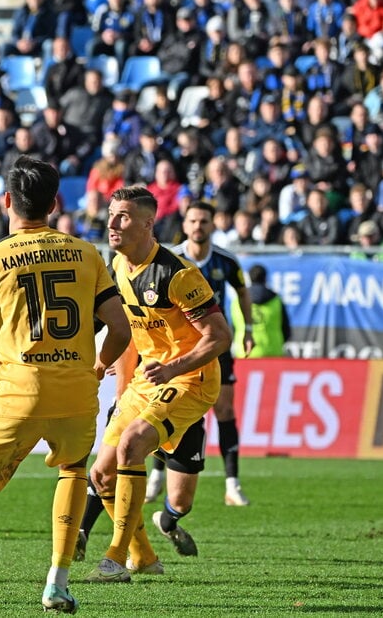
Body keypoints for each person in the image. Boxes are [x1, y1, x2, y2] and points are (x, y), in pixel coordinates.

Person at [0, 156, 130, 617]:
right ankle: (57, 582)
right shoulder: (88, 253)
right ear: (55, 204)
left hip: (18, 391)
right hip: (77, 391)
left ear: (8, 201)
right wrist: (96, 366)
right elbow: (120, 329)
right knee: (74, 469)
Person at [84, 186, 231, 583]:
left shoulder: (177, 274)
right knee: (100, 474)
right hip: (148, 378)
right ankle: (144, 556)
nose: (112, 223)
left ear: (148, 223)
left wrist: (173, 367)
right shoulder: (117, 265)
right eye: (112, 214)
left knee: (132, 445)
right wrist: (103, 364)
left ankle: (114, 557)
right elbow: (128, 329)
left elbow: (219, 336)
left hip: (190, 379)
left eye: (124, 216)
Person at [141, 200, 255, 508]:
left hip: (215, 347)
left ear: (212, 225)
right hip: (177, 351)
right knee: (166, 413)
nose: (198, 226)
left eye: (204, 221)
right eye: (193, 221)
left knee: (226, 411)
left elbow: (243, 292)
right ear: (185, 224)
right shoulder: (170, 260)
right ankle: (156, 476)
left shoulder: (226, 261)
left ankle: (232, 483)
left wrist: (248, 329)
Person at [231, 264, 289, 358]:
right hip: (273, 353)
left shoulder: (238, 300)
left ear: (248, 278)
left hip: (245, 352)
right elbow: (286, 329)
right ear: (265, 278)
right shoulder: (276, 300)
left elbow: (233, 327)